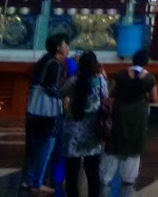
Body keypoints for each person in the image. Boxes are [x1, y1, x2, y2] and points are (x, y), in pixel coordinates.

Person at [101, 50, 155, 197]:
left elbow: (109, 92)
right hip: (138, 113)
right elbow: (154, 98)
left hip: (120, 110)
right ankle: (129, 177)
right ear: (146, 62)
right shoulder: (149, 78)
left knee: (115, 138)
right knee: (135, 140)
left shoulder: (121, 75)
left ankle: (106, 175)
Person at [24, 33, 70, 194]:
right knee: (46, 146)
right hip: (47, 111)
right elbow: (51, 88)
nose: (67, 48)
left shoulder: (45, 60)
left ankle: (28, 178)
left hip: (35, 110)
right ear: (58, 47)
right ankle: (37, 182)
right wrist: (64, 96)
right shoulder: (54, 64)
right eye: (65, 44)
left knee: (37, 145)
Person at [62, 51, 108, 197]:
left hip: (73, 128)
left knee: (72, 171)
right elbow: (105, 98)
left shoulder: (74, 81)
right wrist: (103, 74)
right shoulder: (100, 81)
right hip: (93, 129)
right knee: (93, 170)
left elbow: (61, 93)